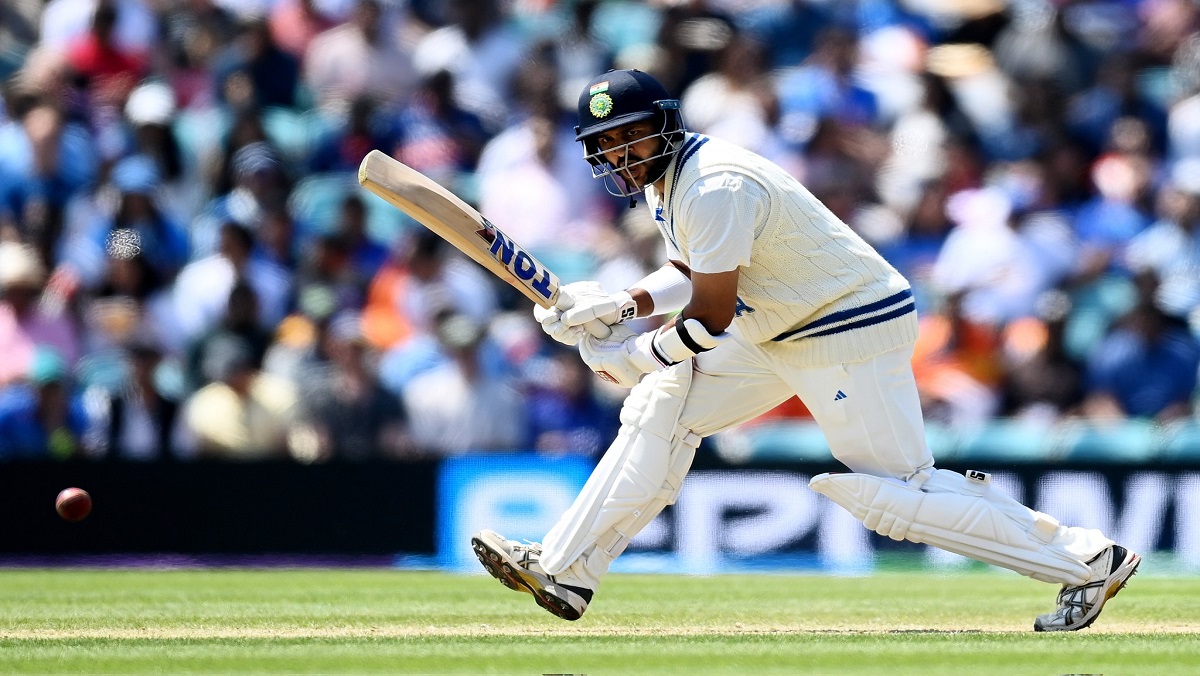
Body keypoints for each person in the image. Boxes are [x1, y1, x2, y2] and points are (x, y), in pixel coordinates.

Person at [470, 69, 1140, 632]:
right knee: (662, 408)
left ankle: (1088, 562)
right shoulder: (665, 181)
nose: (619, 154)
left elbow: (708, 315)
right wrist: (623, 305)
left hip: (844, 330)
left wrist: (636, 356)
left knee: (895, 496)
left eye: (628, 137)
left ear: (664, 124)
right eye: (604, 145)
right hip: (778, 328)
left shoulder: (712, 185)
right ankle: (564, 571)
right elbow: (693, 270)